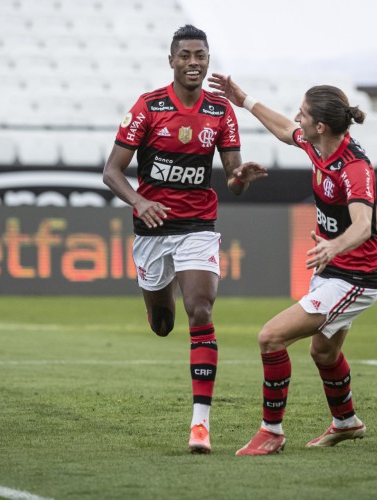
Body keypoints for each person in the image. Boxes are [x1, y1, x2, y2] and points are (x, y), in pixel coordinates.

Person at [103, 25, 267, 454]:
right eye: (186, 56)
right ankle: (160, 302)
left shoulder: (221, 112)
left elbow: (232, 179)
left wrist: (240, 177)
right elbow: (112, 172)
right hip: (152, 231)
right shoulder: (148, 107)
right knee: (162, 324)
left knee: (200, 308)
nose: (195, 62)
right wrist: (140, 202)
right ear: (172, 61)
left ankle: (200, 425)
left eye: (202, 56)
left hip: (197, 225)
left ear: (208, 61)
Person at [209, 74, 377, 456]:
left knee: (270, 337)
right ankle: (347, 422)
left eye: (302, 113)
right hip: (334, 271)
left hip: (355, 277)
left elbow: (363, 226)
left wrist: (333, 247)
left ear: (321, 126)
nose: (296, 118)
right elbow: (285, 130)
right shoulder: (317, 145)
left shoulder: (354, 168)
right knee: (323, 353)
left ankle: (271, 431)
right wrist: (245, 100)